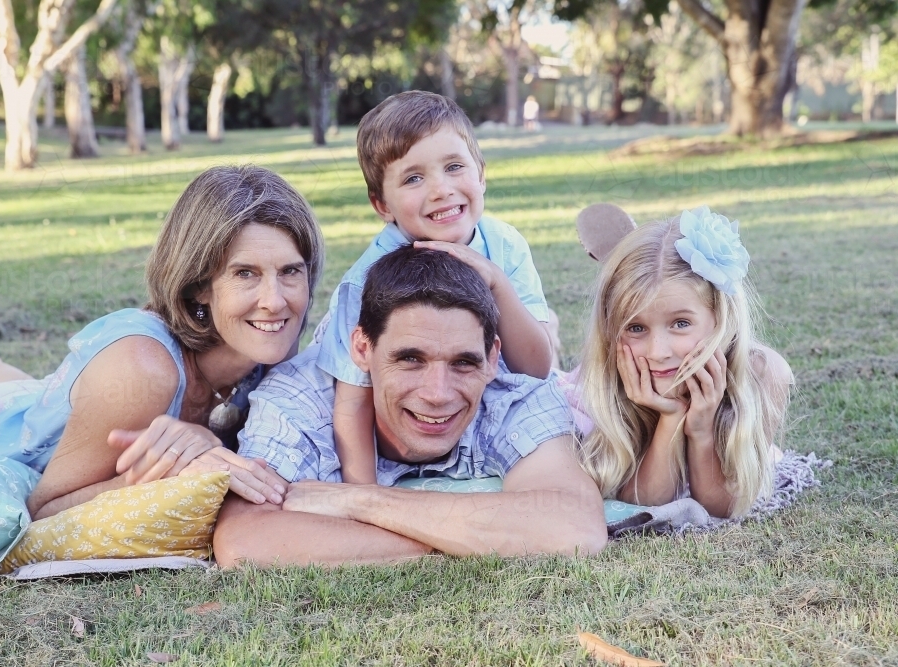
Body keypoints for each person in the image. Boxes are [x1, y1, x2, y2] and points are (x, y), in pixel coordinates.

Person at [0, 165, 325, 520]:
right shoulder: (141, 370)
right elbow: (42, 509)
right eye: (245, 273)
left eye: (290, 271)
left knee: (28, 388)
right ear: (199, 286)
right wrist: (170, 472)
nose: (275, 301)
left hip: (47, 404)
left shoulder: (271, 346)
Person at [212, 245, 607, 567]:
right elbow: (244, 539)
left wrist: (360, 501)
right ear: (362, 349)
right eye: (410, 360)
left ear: (491, 358)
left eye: (463, 363)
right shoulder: (300, 400)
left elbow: (574, 526)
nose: (438, 393)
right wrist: (478, 533)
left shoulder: (514, 397)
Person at [318, 90, 556, 486]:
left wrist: (496, 282)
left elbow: (536, 367)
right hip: (397, 421)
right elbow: (352, 401)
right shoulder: (365, 282)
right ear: (382, 205)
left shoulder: (504, 244)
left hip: (478, 392)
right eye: (413, 178)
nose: (441, 189)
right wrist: (365, 495)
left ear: (481, 174)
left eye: (454, 167)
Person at [568, 207, 793, 518]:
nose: (658, 352)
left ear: (720, 317)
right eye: (636, 328)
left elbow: (722, 507)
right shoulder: (606, 381)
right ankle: (548, 328)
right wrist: (670, 418)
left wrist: (701, 429)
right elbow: (645, 502)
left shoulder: (761, 373)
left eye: (681, 324)